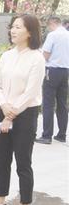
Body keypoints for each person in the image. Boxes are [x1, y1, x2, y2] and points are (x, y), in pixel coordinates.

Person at [0, 14, 45, 205]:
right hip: (3, 110)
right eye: (13, 27)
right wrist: (4, 106)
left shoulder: (37, 58)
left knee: (23, 161)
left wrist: (12, 112)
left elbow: (31, 92)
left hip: (25, 114)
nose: (13, 30)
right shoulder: (7, 55)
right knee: (1, 158)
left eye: (18, 27)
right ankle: (0, 200)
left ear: (30, 32)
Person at [35, 16, 69, 144]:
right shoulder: (67, 35)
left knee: (48, 104)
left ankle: (47, 135)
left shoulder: (53, 35)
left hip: (52, 70)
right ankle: (62, 134)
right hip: (65, 71)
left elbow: (46, 55)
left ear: (52, 23)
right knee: (62, 103)